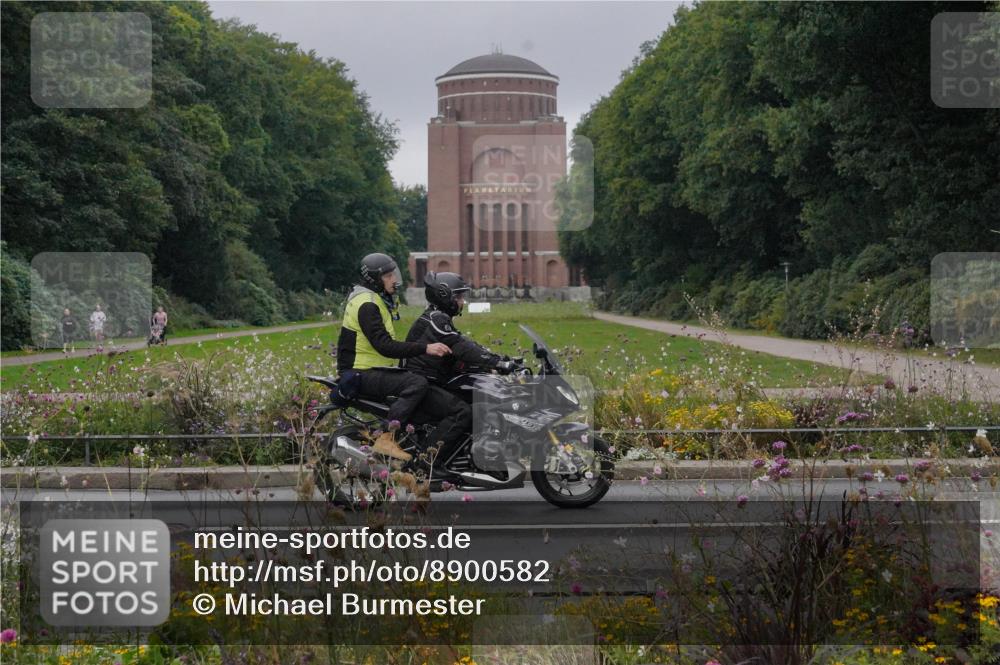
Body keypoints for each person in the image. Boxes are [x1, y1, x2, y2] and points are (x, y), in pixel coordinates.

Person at [336, 253, 451, 461]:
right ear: (374, 279)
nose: (394, 280)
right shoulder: (367, 304)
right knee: (417, 383)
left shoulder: (372, 298)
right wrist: (425, 348)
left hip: (371, 370)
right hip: (360, 373)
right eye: (388, 276)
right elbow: (384, 346)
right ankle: (388, 436)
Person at [403, 272, 516, 470]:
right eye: (459, 297)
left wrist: (498, 361)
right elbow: (462, 347)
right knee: (461, 412)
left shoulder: (438, 318)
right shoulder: (435, 320)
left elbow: (459, 351)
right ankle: (428, 463)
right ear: (444, 296)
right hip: (421, 383)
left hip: (431, 380)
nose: (462, 301)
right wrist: (497, 363)